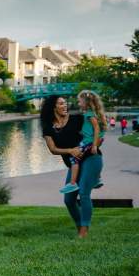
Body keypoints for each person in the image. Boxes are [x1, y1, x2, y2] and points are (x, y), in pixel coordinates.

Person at [41, 95, 103, 238]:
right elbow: (53, 149)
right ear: (53, 107)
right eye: (61, 104)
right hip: (73, 165)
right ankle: (79, 225)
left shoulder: (77, 119)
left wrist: (94, 144)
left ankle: (84, 229)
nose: (65, 106)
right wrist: (70, 150)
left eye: (65, 103)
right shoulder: (48, 127)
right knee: (68, 199)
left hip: (91, 159)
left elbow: (97, 130)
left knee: (84, 193)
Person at [60, 90, 106, 194]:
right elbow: (93, 129)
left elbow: (96, 128)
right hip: (88, 140)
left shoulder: (89, 114)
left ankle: (72, 184)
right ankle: (97, 179)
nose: (79, 103)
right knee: (81, 157)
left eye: (80, 101)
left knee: (73, 158)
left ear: (87, 102)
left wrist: (94, 145)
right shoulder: (91, 114)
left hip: (88, 141)